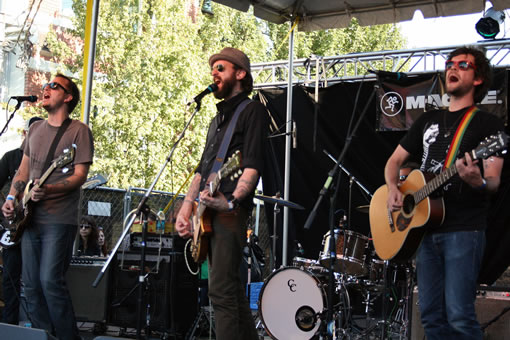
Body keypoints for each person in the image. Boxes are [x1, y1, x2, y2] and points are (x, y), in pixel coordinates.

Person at [385, 46, 504, 339]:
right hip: (425, 230)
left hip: (464, 230)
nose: (452, 68)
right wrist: (392, 189)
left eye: (463, 65)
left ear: (478, 79)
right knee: (430, 316)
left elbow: (493, 182)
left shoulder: (489, 126)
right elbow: (393, 162)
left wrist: (475, 180)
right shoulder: (427, 120)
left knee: (460, 316)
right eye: (450, 63)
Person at [175, 47, 267, 340]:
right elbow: (201, 172)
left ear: (240, 74)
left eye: (221, 68)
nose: (213, 73)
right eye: (213, 68)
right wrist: (185, 209)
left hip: (229, 213)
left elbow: (251, 165)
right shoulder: (216, 120)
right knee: (231, 292)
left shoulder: (252, 111)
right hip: (207, 213)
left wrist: (231, 201)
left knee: (220, 291)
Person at [2, 73, 94, 340]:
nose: (45, 89)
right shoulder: (35, 129)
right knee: (30, 285)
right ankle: (46, 336)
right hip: (29, 218)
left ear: (67, 97)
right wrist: (11, 198)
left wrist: (50, 189)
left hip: (59, 219)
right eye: (45, 85)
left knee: (50, 282)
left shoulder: (79, 131)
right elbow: (23, 170)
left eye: (53, 86)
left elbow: (79, 176)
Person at [0, 116, 43, 325]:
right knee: (10, 278)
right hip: (12, 229)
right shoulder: (10, 158)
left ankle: (37, 328)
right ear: (25, 134)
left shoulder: (47, 161)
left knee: (37, 280)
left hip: (37, 227)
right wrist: (5, 214)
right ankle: (8, 326)